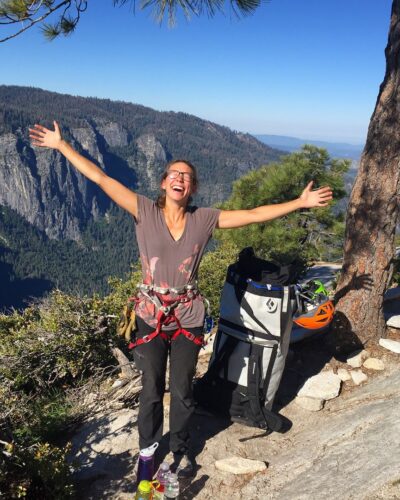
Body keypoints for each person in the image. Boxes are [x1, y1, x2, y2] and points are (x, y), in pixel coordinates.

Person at [29, 121, 333, 477]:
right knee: (152, 388)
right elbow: (100, 178)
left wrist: (299, 202)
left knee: (184, 388)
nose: (180, 178)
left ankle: (182, 449)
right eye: (174, 173)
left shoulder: (203, 220)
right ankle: (147, 451)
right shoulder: (144, 211)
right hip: (149, 315)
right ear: (163, 182)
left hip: (187, 316)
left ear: (192, 188)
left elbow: (251, 215)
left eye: (187, 176)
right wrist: (62, 145)